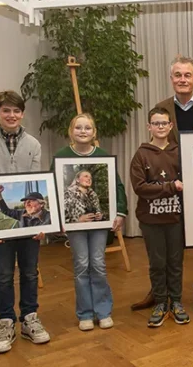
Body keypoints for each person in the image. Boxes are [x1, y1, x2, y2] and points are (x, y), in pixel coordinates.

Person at [132, 55, 193, 315]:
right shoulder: (160, 108)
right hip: (169, 186)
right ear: (171, 78)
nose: (182, 79)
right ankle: (159, 291)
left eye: (187, 75)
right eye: (178, 75)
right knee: (166, 243)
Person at [0, 91, 49, 354]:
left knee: (30, 273)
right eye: (5, 110)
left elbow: (37, 184)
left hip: (30, 227)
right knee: (3, 276)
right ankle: (6, 321)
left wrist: (40, 225)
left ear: (22, 113)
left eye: (16, 111)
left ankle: (29, 318)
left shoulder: (33, 143)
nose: (11, 115)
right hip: (2, 234)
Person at [53, 113, 128, 331]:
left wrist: (120, 212)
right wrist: (58, 218)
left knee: (98, 264)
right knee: (81, 265)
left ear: (94, 132)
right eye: (78, 127)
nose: (83, 131)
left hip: (98, 227)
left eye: (87, 128)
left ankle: (103, 311)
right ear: (71, 131)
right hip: (74, 227)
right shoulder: (61, 157)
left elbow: (118, 187)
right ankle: (85, 313)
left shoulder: (103, 156)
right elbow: (53, 190)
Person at [130, 107, 190, 327]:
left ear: (170, 126)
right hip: (151, 220)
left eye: (164, 123)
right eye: (156, 123)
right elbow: (140, 187)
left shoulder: (180, 152)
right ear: (149, 127)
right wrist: (170, 186)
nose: (161, 127)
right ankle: (160, 302)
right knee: (157, 263)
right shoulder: (141, 154)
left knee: (175, 262)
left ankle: (176, 302)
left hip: (175, 219)